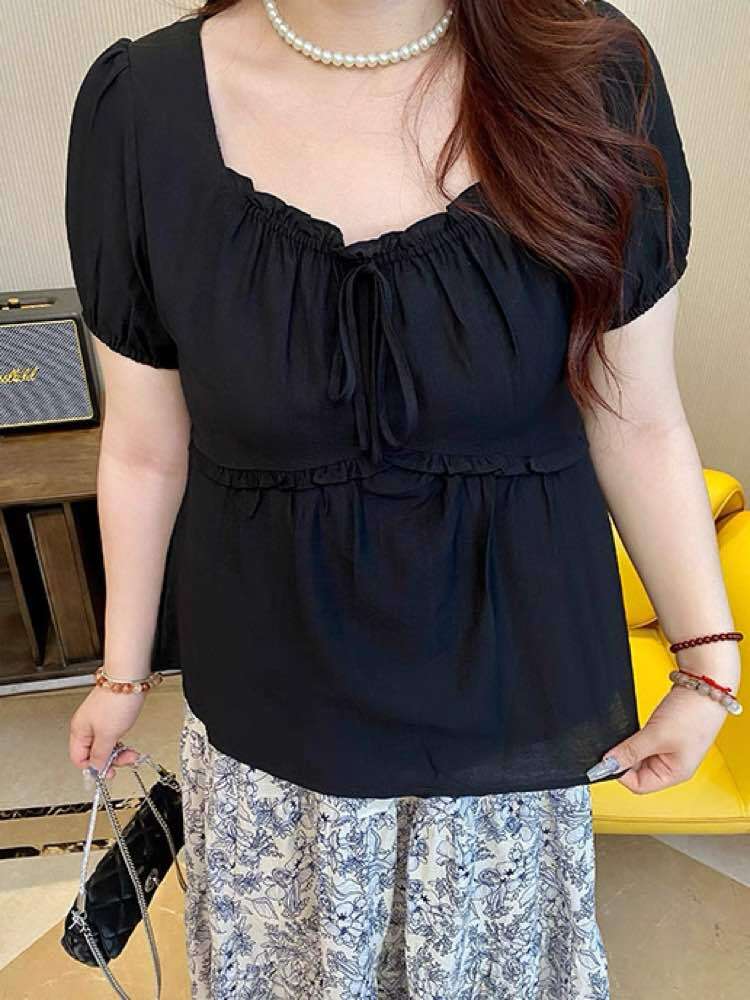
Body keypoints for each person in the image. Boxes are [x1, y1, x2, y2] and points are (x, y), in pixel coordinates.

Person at [64, 1, 742, 997]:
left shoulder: (594, 71)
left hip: (511, 712)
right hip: (275, 721)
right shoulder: (140, 110)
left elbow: (636, 418)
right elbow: (143, 449)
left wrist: (707, 663)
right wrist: (122, 675)